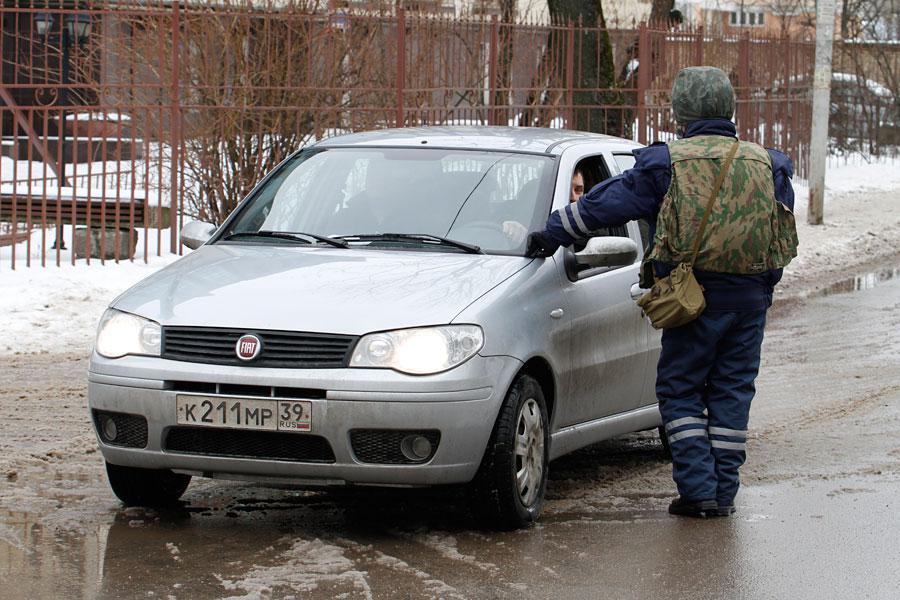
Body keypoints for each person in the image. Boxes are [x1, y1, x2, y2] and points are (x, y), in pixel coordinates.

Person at [526, 66, 798, 518]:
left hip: (688, 299)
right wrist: (761, 286)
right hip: (749, 301)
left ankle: (698, 492)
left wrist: (553, 232)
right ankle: (724, 492)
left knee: (680, 390)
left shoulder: (666, 163)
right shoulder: (770, 163)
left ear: (680, 112)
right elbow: (779, 233)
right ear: (729, 108)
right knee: (732, 391)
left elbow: (603, 204)